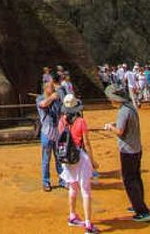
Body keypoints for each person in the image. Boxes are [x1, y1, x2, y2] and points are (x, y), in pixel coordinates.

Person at [104, 84, 150, 222]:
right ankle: (138, 203)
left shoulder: (123, 111)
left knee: (129, 180)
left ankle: (142, 211)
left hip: (128, 150)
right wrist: (114, 124)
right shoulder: (130, 107)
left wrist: (110, 127)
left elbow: (120, 131)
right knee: (136, 177)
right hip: (136, 148)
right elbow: (125, 124)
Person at [58, 94, 99, 233]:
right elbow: (86, 143)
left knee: (73, 187)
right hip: (80, 156)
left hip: (67, 158)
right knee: (85, 190)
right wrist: (93, 161)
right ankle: (88, 224)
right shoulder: (81, 121)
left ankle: (72, 216)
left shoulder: (62, 121)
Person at [36, 81, 64, 192]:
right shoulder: (40, 98)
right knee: (46, 159)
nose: (53, 90)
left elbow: (61, 110)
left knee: (59, 158)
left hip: (57, 132)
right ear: (46, 89)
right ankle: (46, 182)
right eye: (52, 88)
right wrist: (52, 98)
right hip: (46, 133)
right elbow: (43, 105)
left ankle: (63, 179)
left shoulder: (56, 99)